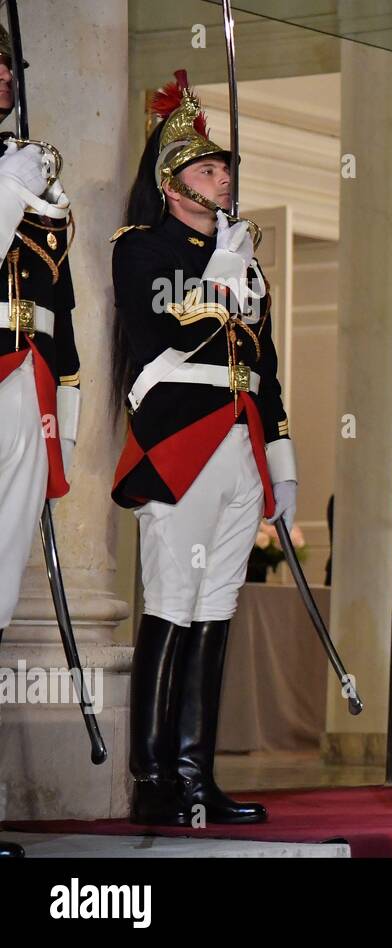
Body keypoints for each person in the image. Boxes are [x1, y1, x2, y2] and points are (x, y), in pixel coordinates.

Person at [110, 71, 297, 826]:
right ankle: (154, 779)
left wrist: (280, 458)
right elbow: (163, 336)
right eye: (208, 168)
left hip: (238, 441)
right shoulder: (143, 248)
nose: (223, 179)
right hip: (178, 440)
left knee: (217, 608)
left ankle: (197, 773)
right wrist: (221, 274)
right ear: (171, 178)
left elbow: (266, 366)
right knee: (171, 605)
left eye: (226, 170)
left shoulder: (242, 256)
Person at [0, 25, 79, 861]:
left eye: (6, 65)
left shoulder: (31, 165)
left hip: (25, 379)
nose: (1, 78)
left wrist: (73, 394)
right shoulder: (13, 176)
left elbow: (60, 295)